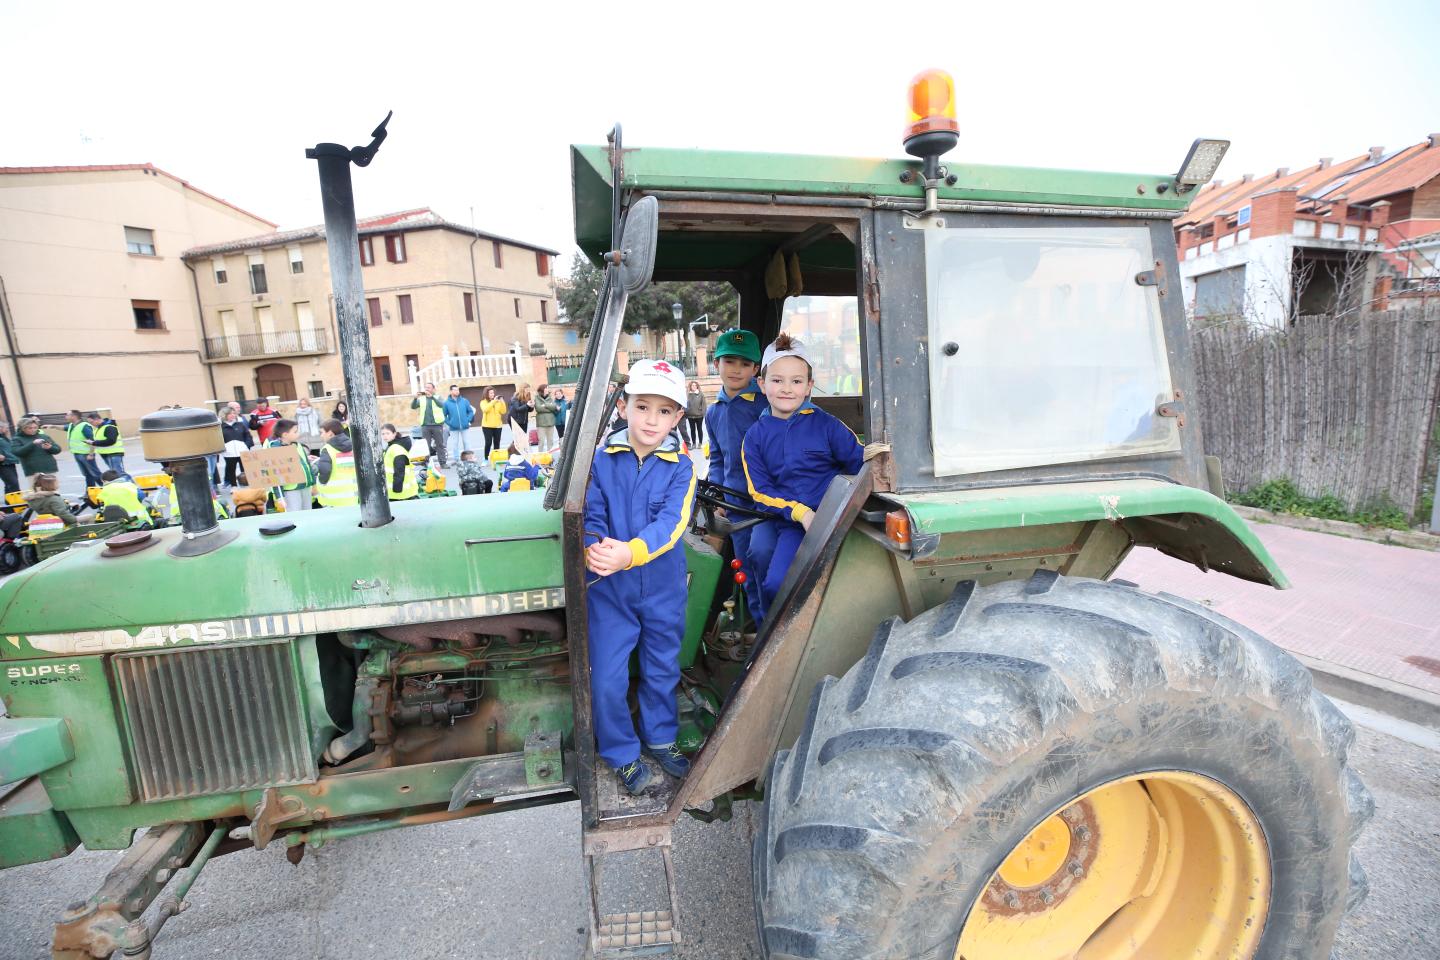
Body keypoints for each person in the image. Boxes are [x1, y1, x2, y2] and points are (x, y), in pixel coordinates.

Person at [583, 359, 697, 795]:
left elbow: (672, 524)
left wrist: (629, 552)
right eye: (642, 406)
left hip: (663, 587)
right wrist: (595, 548)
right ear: (624, 407)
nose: (652, 419)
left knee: (661, 667)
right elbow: (590, 513)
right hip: (610, 587)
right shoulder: (600, 460)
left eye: (664, 411)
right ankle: (622, 754)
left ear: (678, 418)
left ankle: (662, 739)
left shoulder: (682, 466)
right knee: (607, 677)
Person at [742, 334, 864, 612]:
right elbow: (759, 491)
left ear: (809, 386)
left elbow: (860, 463)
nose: (787, 389)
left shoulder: (828, 426)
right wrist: (800, 513)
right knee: (773, 582)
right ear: (762, 384)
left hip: (830, 518)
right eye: (777, 380)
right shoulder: (755, 437)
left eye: (796, 381)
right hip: (790, 520)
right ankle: (769, 637)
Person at [703, 329, 772, 625]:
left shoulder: (764, 407)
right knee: (746, 573)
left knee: (764, 569)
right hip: (735, 507)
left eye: (745, 364)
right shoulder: (713, 412)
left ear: (756, 369)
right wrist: (716, 494)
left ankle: (771, 630)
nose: (736, 369)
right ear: (716, 364)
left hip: (764, 506)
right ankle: (759, 630)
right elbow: (718, 458)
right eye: (729, 361)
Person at [265, 419, 315, 511]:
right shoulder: (275, 448)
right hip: (291, 490)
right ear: (285, 435)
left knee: (308, 514)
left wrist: (313, 484)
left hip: (305, 486)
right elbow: (274, 476)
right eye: (295, 431)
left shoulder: (298, 445)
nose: (298, 433)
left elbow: (307, 465)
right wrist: (280, 497)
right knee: (295, 516)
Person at [315, 419, 358, 507]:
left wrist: (321, 482)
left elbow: (325, 471)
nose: (321, 435)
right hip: (352, 496)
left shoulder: (327, 449)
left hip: (332, 500)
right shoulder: (353, 446)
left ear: (330, 433)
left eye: (322, 432)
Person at [411, 382, 448, 468]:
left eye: (429, 387)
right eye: (426, 387)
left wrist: (432, 397)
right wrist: (415, 398)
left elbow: (441, 405)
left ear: (433, 389)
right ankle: (426, 463)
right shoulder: (421, 399)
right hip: (425, 425)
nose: (427, 389)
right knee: (425, 446)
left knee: (440, 444)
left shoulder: (438, 397)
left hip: (437, 425)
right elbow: (413, 407)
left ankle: (443, 463)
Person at [87, 412, 131, 481]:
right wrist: (92, 448)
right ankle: (130, 488)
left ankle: (134, 489)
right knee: (116, 473)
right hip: (106, 454)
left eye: (91, 422)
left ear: (97, 419)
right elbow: (99, 442)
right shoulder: (98, 429)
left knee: (118, 473)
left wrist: (93, 443)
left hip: (113, 453)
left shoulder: (109, 427)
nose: (91, 424)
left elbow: (111, 441)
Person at [380, 423, 419, 501]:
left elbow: (400, 470)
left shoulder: (396, 449)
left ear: (394, 434)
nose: (385, 436)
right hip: (401, 492)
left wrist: (397, 489)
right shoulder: (391, 446)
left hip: (401, 493)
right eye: (383, 434)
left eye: (388, 433)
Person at [64, 409, 102, 487]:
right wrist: (52, 426)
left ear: (74, 416)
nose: (65, 417)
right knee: (87, 474)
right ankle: (90, 493)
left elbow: (92, 440)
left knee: (95, 473)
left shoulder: (84, 426)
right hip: (77, 453)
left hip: (86, 454)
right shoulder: (72, 425)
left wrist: (91, 454)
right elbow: (63, 428)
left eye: (67, 415)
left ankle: (106, 488)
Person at [443, 385, 476, 466]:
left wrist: (467, 420)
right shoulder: (446, 403)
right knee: (455, 443)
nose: (457, 391)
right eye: (455, 390)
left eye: (458, 390)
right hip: (453, 428)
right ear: (451, 391)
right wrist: (450, 423)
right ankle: (457, 459)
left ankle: (469, 459)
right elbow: (443, 415)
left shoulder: (464, 401)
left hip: (465, 426)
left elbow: (470, 412)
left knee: (466, 442)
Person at [220, 407, 252, 489]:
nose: (233, 415)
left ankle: (246, 485)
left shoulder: (240, 425)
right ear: (225, 415)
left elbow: (248, 436)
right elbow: (219, 440)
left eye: (234, 413)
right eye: (230, 413)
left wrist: (247, 445)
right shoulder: (221, 427)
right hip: (229, 453)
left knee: (245, 469)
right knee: (231, 470)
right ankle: (233, 486)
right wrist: (224, 449)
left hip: (242, 451)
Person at [479, 388, 506, 458]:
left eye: (493, 393)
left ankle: (496, 458)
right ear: (486, 394)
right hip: (487, 426)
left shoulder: (498, 402)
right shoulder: (483, 402)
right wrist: (493, 402)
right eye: (490, 393)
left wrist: (502, 402)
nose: (492, 394)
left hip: (498, 426)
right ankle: (486, 458)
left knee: (497, 443)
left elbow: (503, 411)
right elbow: (485, 410)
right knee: (488, 443)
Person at [508, 385, 533, 454]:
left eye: (529, 389)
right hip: (515, 420)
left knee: (523, 438)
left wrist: (531, 406)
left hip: (524, 421)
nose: (528, 391)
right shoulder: (515, 398)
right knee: (518, 438)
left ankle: (521, 452)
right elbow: (517, 409)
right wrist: (527, 405)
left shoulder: (528, 397)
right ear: (523, 389)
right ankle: (511, 452)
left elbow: (529, 410)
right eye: (527, 389)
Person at [534, 384, 560, 451]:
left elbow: (554, 407)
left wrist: (545, 405)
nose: (548, 389)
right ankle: (539, 456)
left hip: (550, 422)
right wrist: (549, 407)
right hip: (541, 424)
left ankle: (550, 456)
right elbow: (538, 408)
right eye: (547, 388)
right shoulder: (537, 397)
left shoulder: (550, 397)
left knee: (550, 441)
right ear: (543, 389)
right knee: (541, 441)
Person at [684, 381, 707, 447]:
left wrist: (704, 413)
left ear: (697, 386)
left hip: (699, 415)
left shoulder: (701, 394)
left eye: (695, 385)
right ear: (690, 387)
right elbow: (685, 404)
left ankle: (700, 443)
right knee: (692, 430)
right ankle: (694, 443)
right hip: (690, 415)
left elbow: (704, 404)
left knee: (699, 429)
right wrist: (686, 413)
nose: (694, 386)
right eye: (692, 385)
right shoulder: (688, 394)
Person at [0, 422, 18, 495]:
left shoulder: (3, 437)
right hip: (3, 464)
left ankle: (9, 503)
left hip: (9, 462)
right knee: (14, 484)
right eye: (6, 428)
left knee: (9, 484)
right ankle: (17, 503)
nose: (7, 429)